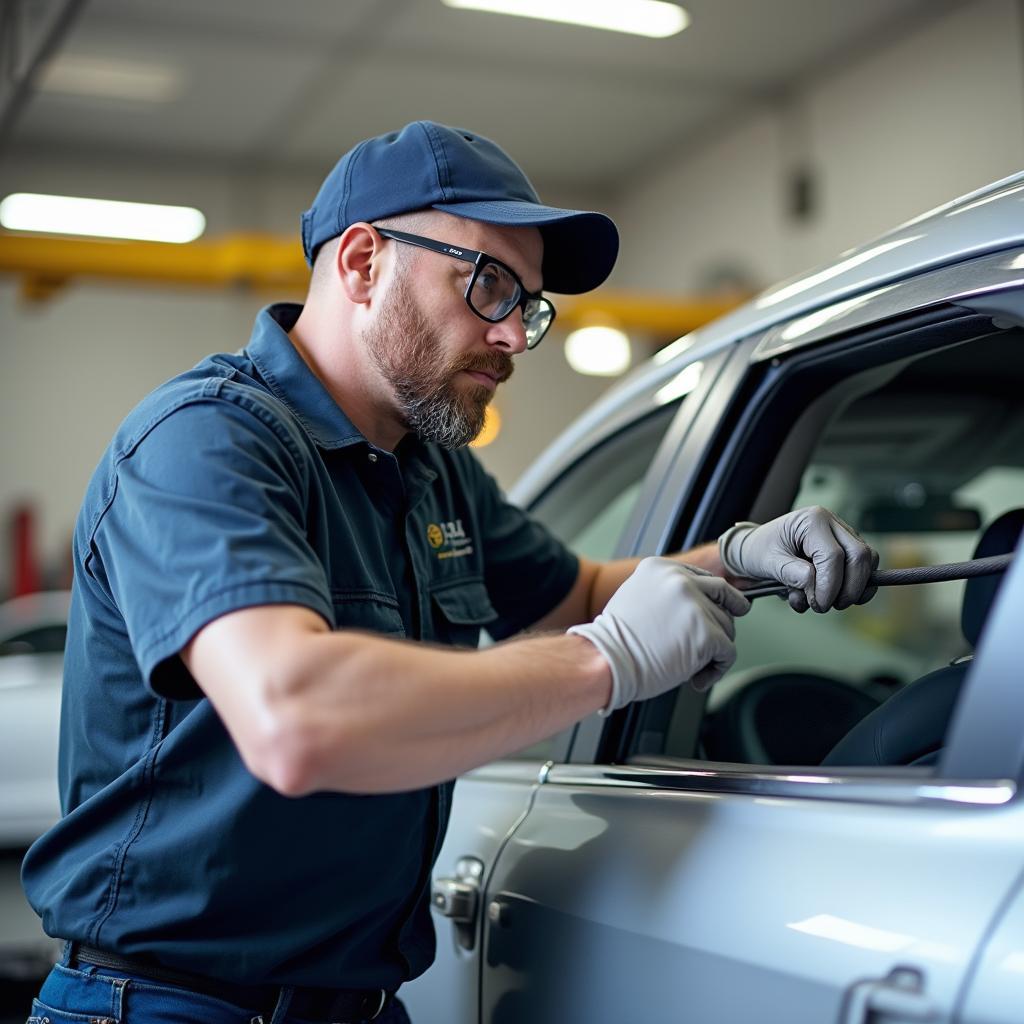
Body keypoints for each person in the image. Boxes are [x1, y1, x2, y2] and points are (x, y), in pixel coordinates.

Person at [21, 121, 877, 1024]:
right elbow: (295, 716)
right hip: (165, 1006)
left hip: (358, 1003)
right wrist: (608, 661)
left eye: (529, 305)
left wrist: (737, 556)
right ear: (360, 263)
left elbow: (578, 595)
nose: (513, 336)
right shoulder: (209, 440)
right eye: (490, 284)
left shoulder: (430, 468)